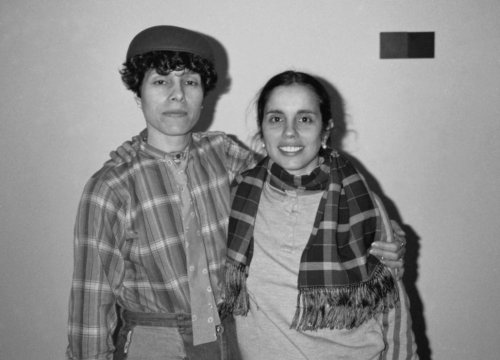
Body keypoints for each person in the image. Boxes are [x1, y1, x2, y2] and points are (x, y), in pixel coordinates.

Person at [68, 25, 406, 360]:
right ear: (138, 92)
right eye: (160, 81)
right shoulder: (111, 188)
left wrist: (384, 235)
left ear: (204, 92)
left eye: (190, 82)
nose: (177, 95)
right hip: (156, 342)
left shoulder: (222, 153)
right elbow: (91, 305)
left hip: (227, 338)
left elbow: (295, 175)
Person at [221, 70, 418, 359]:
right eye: (276, 119)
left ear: (325, 129)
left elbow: (393, 310)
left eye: (305, 119)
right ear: (261, 129)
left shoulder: (360, 203)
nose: (290, 132)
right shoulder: (237, 196)